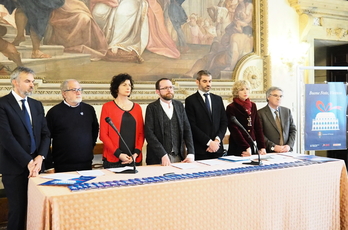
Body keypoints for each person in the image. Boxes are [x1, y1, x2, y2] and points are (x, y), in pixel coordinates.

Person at [0, 66, 50, 230]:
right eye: (27, 81)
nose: (32, 85)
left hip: (37, 166)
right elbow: (6, 138)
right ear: (15, 82)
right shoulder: (2, 104)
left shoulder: (37, 105)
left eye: (33, 82)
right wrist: (28, 161)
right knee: (18, 210)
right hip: (14, 168)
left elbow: (45, 134)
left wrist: (40, 157)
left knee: (37, 209)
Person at [45, 79, 99, 173]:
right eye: (74, 90)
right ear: (64, 93)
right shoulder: (54, 113)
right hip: (62, 166)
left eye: (80, 89)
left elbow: (94, 132)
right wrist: (49, 166)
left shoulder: (89, 110)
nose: (78, 93)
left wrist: (88, 149)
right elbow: (45, 139)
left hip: (86, 164)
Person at [145, 78, 195, 165]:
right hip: (158, 158)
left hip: (179, 156)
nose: (169, 90)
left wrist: (191, 152)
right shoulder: (152, 108)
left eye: (171, 87)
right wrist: (162, 154)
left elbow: (187, 129)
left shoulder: (179, 106)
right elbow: (149, 134)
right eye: (165, 88)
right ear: (157, 91)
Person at [99, 73, 144, 168]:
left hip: (134, 159)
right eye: (124, 85)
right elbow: (103, 135)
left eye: (129, 85)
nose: (128, 87)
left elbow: (141, 133)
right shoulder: (107, 107)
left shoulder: (137, 108)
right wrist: (119, 154)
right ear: (116, 88)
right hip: (113, 158)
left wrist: (136, 154)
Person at [185, 70, 227, 160]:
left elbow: (224, 122)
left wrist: (216, 141)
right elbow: (192, 126)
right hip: (201, 150)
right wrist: (209, 143)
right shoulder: (190, 100)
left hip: (217, 149)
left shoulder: (218, 99)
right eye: (205, 81)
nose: (208, 84)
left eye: (210, 81)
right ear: (197, 82)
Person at [225, 80, 266, 156]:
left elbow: (258, 127)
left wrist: (262, 146)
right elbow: (234, 130)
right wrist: (246, 147)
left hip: (252, 143)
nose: (245, 92)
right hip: (238, 145)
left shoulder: (253, 105)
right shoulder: (231, 107)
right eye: (242, 89)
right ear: (236, 92)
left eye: (247, 89)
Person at [258, 86, 297, 153]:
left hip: (286, 152)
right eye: (275, 95)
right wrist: (273, 147)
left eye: (280, 96)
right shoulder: (260, 113)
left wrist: (289, 146)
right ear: (268, 97)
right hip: (269, 152)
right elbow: (259, 134)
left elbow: (293, 130)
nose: (278, 98)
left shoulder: (287, 111)